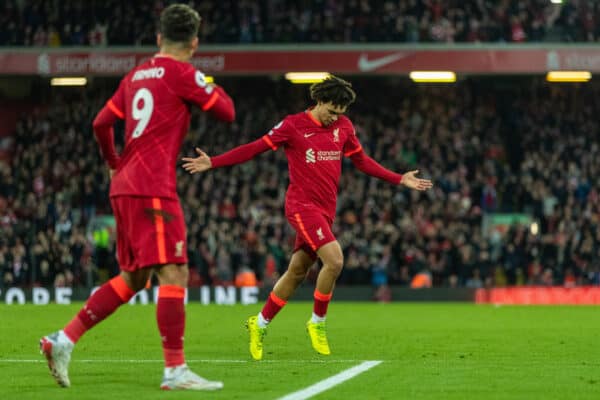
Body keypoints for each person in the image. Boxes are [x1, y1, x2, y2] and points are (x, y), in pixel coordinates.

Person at [40, 4, 235, 391]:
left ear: (159, 37)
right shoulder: (183, 72)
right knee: (175, 270)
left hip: (124, 185)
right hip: (152, 187)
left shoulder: (135, 75)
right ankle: (175, 370)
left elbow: (101, 122)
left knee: (134, 278)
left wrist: (112, 162)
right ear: (194, 43)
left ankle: (62, 340)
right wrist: (205, 81)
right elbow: (226, 112)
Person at [182, 75, 432, 360]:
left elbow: (361, 161)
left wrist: (399, 178)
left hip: (326, 211)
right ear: (320, 101)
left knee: (297, 271)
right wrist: (214, 161)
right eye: (331, 111)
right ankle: (317, 323)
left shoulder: (344, 127)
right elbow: (255, 147)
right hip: (301, 206)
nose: (334, 118)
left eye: (340, 114)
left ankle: (259, 323)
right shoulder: (293, 125)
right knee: (335, 260)